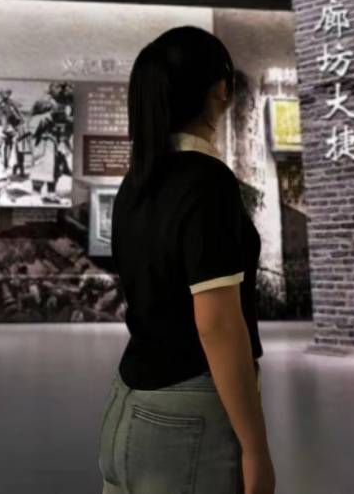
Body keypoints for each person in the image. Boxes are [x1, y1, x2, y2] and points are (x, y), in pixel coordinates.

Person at [97, 26, 274, 494]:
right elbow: (217, 325)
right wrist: (256, 449)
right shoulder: (207, 181)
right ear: (222, 89)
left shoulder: (134, 184)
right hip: (187, 417)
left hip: (127, 403)